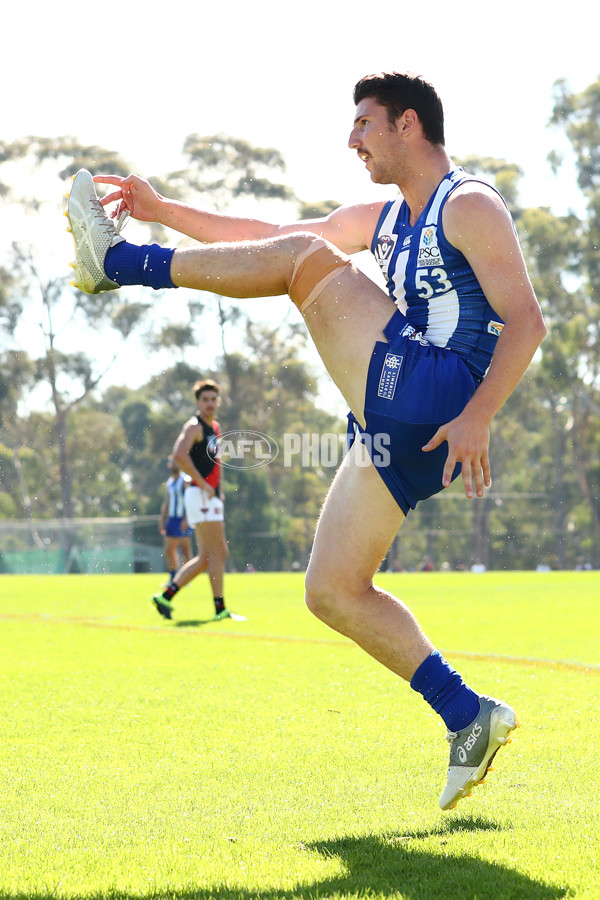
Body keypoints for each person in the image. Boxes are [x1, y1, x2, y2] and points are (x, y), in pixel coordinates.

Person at [66, 71, 547, 810]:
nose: (352, 138)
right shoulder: (385, 217)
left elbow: (527, 321)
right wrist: (165, 211)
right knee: (331, 590)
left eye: (363, 123)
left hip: (440, 395)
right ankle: (467, 715)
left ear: (407, 125)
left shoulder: (470, 203)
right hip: (403, 426)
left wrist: (480, 414)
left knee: (301, 265)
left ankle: (120, 264)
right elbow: (268, 241)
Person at [152, 379, 236, 622]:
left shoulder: (215, 428)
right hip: (200, 494)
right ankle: (220, 610)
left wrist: (217, 489)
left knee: (206, 557)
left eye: (213, 399)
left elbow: (214, 463)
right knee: (219, 552)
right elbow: (179, 454)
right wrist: (203, 483)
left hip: (208, 495)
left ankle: (166, 596)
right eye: (205, 400)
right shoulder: (194, 426)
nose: (210, 403)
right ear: (197, 402)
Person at [159, 455, 194, 580]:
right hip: (172, 519)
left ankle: (186, 578)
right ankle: (173, 577)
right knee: (169, 549)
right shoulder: (169, 482)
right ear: (169, 465)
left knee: (185, 550)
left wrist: (186, 518)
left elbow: (190, 500)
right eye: (172, 462)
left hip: (183, 518)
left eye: (176, 462)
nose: (174, 465)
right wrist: (162, 520)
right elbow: (167, 502)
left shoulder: (185, 480)